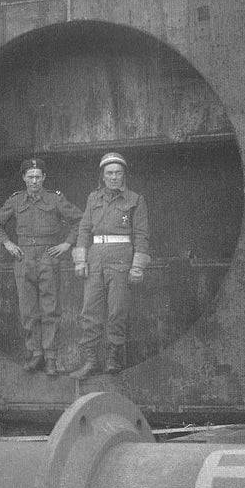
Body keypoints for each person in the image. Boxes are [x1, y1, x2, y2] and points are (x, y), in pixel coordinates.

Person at [0, 158, 82, 376]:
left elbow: (80, 220)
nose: (34, 181)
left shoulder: (55, 200)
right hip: (24, 258)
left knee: (50, 308)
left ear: (44, 178)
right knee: (28, 310)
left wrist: (66, 244)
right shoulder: (16, 201)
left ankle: (50, 358)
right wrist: (8, 243)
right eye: (30, 177)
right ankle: (35, 354)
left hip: (48, 256)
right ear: (24, 178)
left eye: (38, 177)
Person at [69, 152, 150, 379]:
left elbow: (142, 236)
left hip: (121, 260)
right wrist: (80, 259)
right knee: (89, 311)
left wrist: (137, 266)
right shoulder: (93, 199)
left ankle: (114, 360)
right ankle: (91, 362)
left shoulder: (135, 200)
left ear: (124, 175)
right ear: (103, 176)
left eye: (118, 173)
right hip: (95, 260)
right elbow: (84, 229)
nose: (114, 177)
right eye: (109, 173)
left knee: (117, 311)